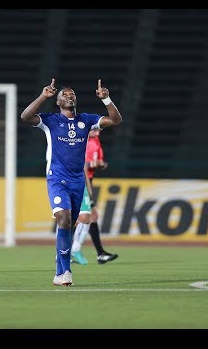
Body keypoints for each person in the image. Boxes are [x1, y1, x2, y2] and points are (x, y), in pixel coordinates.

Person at [21, 78, 122, 286]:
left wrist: (107, 99)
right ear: (58, 102)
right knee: (63, 218)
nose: (69, 96)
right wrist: (43, 96)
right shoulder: (50, 121)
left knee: (70, 225)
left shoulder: (86, 120)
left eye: (72, 94)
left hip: (78, 181)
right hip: (57, 178)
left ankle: (61, 266)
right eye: (64, 95)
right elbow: (25, 116)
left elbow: (115, 120)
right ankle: (64, 272)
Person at [71, 128, 119, 265]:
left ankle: (98, 253)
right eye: (95, 129)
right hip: (82, 182)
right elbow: (84, 166)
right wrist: (88, 189)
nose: (98, 131)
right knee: (84, 217)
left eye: (100, 129)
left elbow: (95, 163)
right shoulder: (85, 142)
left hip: (86, 180)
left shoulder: (94, 141)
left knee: (88, 217)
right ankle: (71, 251)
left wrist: (101, 164)